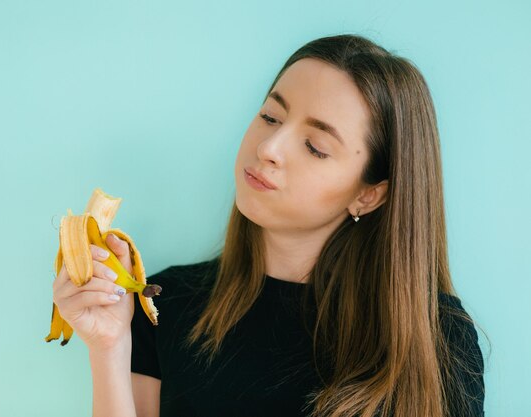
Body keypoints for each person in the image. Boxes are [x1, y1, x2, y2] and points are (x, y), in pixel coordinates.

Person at [51, 34, 485, 417]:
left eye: (315, 147)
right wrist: (109, 348)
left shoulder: (434, 340)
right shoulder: (162, 306)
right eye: (271, 117)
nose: (270, 148)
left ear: (368, 194)